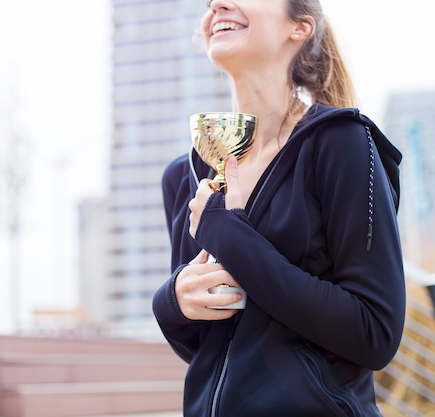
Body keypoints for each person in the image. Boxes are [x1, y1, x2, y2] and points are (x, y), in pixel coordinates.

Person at [152, 0, 406, 416]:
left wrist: (231, 236)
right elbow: (211, 349)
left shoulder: (343, 143)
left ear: (299, 28)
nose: (218, 3)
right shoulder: (184, 175)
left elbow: (374, 333)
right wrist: (172, 301)